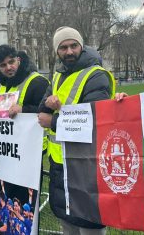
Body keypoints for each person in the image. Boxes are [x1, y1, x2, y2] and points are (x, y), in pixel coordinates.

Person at [38, 26, 115, 234]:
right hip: (60, 162)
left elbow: (92, 120)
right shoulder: (57, 76)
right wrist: (48, 101)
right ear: (57, 51)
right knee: (67, 223)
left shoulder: (96, 75)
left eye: (73, 45)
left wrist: (52, 119)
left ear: (81, 46)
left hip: (85, 163)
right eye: (63, 47)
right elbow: (41, 112)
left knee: (89, 224)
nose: (69, 51)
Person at [0, 45, 49, 117]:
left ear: (18, 60)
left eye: (11, 62)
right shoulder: (0, 83)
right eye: (3, 65)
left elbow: (47, 109)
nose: (8, 67)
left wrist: (23, 110)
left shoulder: (38, 82)